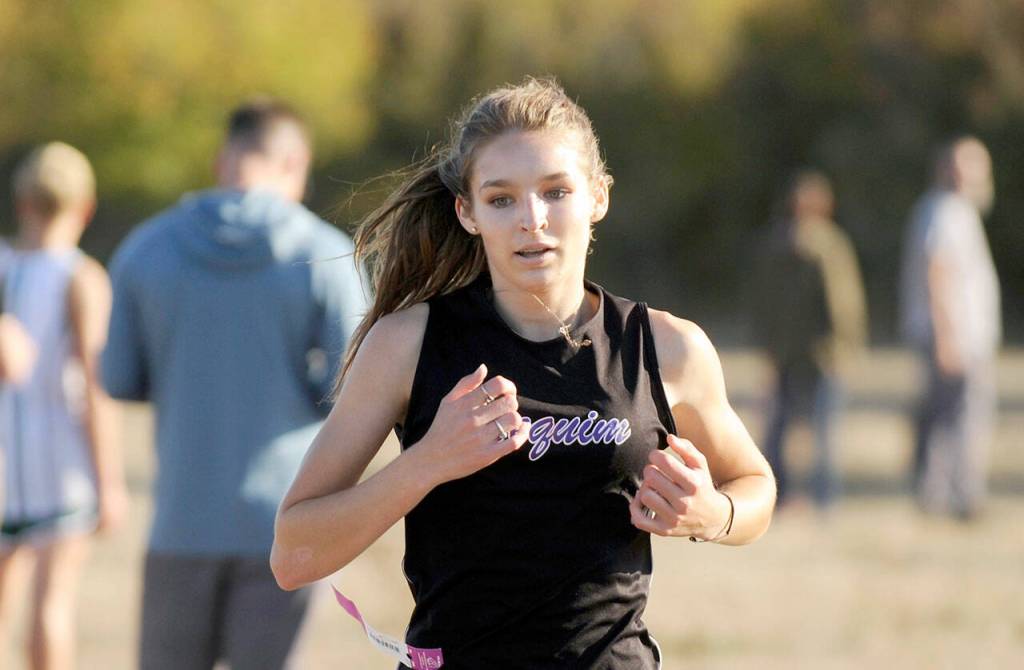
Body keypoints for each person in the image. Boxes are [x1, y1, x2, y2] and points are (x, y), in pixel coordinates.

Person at [271, 78, 776, 669]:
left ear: (597, 197)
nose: (531, 219)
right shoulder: (409, 344)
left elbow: (755, 486)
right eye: (502, 198)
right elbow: (293, 556)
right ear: (468, 212)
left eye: (556, 192)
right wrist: (428, 462)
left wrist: (715, 516)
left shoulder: (667, 347)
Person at [101, 99, 366, 670]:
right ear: (294, 162)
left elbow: (118, 378)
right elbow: (359, 385)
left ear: (225, 159)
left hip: (179, 520)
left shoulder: (146, 249)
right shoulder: (325, 253)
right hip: (287, 525)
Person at [0, 142, 127, 670]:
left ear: (22, 202)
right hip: (61, 461)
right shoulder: (82, 277)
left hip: (5, 462)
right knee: (52, 604)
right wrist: (110, 481)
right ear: (85, 207)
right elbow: (97, 389)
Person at [752, 170, 867, 510]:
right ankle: (824, 499)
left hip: (786, 351)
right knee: (823, 431)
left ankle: (777, 494)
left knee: (779, 428)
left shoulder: (774, 243)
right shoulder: (831, 245)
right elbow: (842, 302)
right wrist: (848, 345)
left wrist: (769, 345)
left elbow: (763, 303)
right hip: (824, 353)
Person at [900, 136, 1001, 520]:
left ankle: (946, 495)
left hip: (960, 336)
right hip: (954, 337)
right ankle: (953, 498)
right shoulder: (944, 211)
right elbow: (937, 271)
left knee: (951, 416)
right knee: (956, 418)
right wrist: (947, 337)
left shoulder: (956, 210)